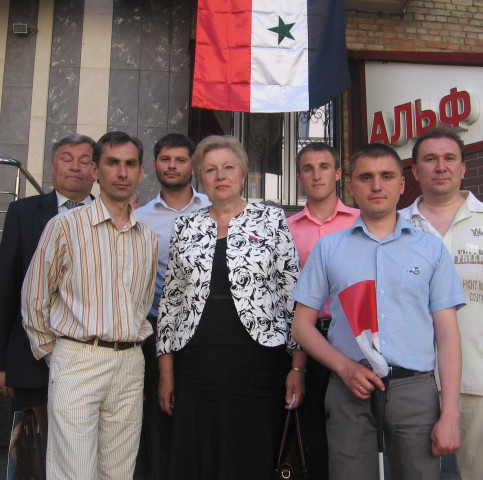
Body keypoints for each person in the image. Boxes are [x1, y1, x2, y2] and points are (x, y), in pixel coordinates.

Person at [291, 143, 464, 480]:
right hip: (349, 385)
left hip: (414, 390)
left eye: (386, 176)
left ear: (402, 184)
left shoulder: (431, 248)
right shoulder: (329, 248)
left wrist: (451, 413)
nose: (376, 186)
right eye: (365, 177)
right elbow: (301, 326)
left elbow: (447, 334)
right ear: (351, 186)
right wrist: (343, 367)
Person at [156, 135, 303, 480]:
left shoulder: (271, 219)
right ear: (199, 177)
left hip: (258, 361)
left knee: (252, 450)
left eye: (228, 167)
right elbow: (171, 301)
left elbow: (293, 294)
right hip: (196, 361)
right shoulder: (186, 225)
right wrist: (166, 372)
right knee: (198, 450)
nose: (220, 176)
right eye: (210, 170)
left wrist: (299, 367)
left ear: (243, 174)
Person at [22, 131, 157, 480]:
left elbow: (142, 302)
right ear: (96, 170)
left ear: (141, 172)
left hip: (130, 362)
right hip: (79, 357)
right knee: (75, 471)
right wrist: (56, 354)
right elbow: (34, 297)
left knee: (119, 472)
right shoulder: (65, 226)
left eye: (130, 164)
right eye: (113, 163)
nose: (122, 172)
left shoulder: (147, 237)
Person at [400, 126, 483, 480]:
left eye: (449, 159)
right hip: (414, 379)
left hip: (481, 374)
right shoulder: (398, 226)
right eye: (430, 159)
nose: (440, 166)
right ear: (415, 171)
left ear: (462, 169)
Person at [0, 134, 95, 411]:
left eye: (84, 161)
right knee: (37, 435)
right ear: (53, 166)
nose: (75, 167)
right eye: (67, 159)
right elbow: (7, 287)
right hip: (30, 357)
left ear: (95, 169)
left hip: (92, 358)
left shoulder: (110, 215)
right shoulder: (23, 212)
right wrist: (0, 363)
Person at [134, 133, 210, 480]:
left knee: (201, 412)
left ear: (192, 166)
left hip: (206, 329)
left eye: (180, 160)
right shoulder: (140, 217)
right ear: (154, 165)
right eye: (165, 159)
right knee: (161, 412)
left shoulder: (212, 208)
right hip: (155, 330)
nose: (172, 166)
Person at [287, 142, 359, 479]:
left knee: (354, 430)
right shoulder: (287, 229)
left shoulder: (360, 222)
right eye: (308, 168)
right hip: (306, 337)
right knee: (312, 429)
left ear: (338, 173)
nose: (316, 175)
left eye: (324, 167)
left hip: (354, 336)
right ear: (299, 177)